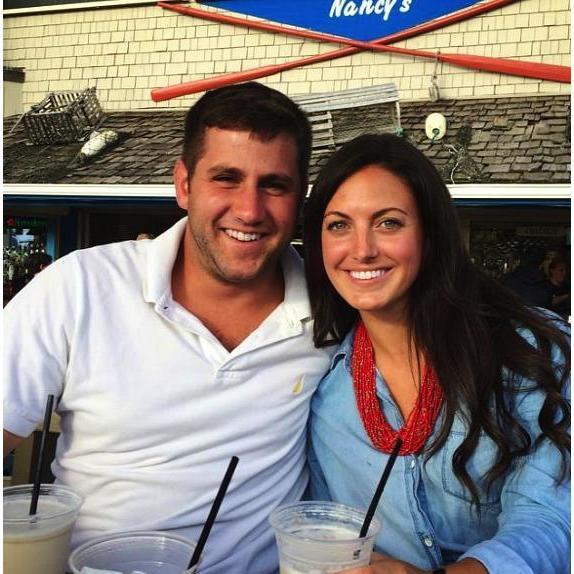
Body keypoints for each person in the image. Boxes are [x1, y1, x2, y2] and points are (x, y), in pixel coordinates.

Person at [3, 82, 334, 574]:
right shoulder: (79, 286)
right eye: (226, 178)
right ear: (184, 184)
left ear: (299, 197)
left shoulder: (333, 313)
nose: (249, 210)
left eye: (274, 185)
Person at [303, 134, 570, 574]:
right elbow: (326, 528)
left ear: (430, 235)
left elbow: (554, 518)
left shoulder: (531, 350)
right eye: (338, 225)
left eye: (389, 223)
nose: (362, 249)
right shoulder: (324, 394)